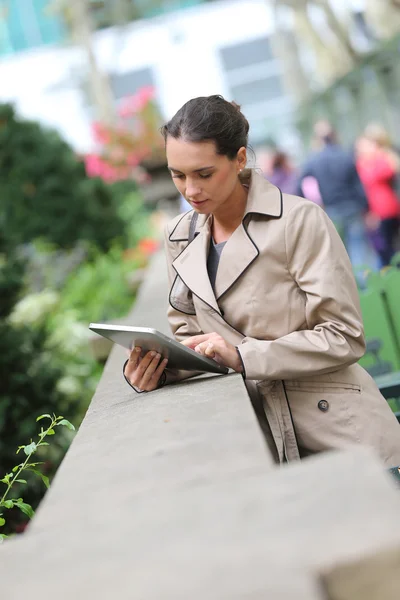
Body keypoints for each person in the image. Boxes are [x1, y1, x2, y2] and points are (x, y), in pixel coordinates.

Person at [124, 95, 400, 467]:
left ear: (239, 159)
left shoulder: (299, 221)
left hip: (340, 431)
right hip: (255, 439)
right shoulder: (179, 235)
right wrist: (159, 369)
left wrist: (242, 355)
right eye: (178, 175)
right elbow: (194, 340)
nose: (190, 190)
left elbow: (343, 335)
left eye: (204, 174)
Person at [296, 120, 377, 269]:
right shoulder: (345, 155)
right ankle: (368, 283)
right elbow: (358, 185)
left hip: (332, 211)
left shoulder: (314, 160)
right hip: (353, 208)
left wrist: (310, 204)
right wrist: (368, 208)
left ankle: (354, 286)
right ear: (334, 135)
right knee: (360, 248)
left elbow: (299, 184)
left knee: (340, 252)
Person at [356, 124, 400, 267]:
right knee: (383, 249)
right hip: (376, 212)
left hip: (387, 209)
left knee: (389, 248)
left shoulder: (383, 159)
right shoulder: (363, 163)